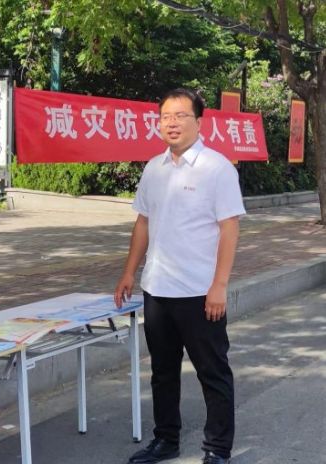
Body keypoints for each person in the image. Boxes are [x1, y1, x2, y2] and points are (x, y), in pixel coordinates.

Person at [114, 88, 244, 464]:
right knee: (163, 372)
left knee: (212, 372)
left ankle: (217, 448)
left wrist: (219, 285)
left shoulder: (217, 168)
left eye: (180, 116)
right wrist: (129, 272)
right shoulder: (154, 169)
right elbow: (143, 222)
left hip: (200, 292)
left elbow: (230, 229)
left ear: (199, 122)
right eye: (165, 116)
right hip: (157, 288)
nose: (172, 123)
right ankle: (166, 439)